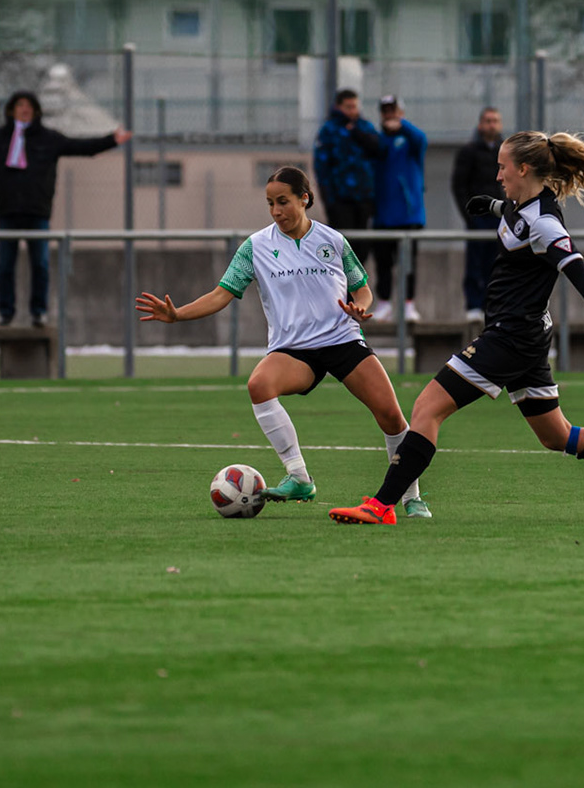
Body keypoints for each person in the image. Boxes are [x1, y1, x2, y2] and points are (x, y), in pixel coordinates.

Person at [329, 131, 584, 527]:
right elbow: (517, 219)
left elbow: (576, 270)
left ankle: (382, 504)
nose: (498, 175)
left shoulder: (545, 222)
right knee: (556, 434)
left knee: (427, 408)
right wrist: (495, 207)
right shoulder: (524, 205)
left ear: (524, 169)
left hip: (510, 337)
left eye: (502, 167)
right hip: (526, 337)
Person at [137, 167, 428, 515]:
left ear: (304, 198)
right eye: (270, 204)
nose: (276, 211)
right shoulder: (255, 247)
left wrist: (360, 308)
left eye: (283, 202)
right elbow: (221, 294)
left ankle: (412, 497)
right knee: (259, 384)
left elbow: (362, 288)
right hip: (294, 349)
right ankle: (299, 477)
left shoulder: (332, 241)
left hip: (342, 339)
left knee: (392, 417)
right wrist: (178, 314)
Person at [0, 91, 130, 328]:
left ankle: (39, 312)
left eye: (29, 106)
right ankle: (5, 312)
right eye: (20, 105)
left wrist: (111, 140)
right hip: (8, 212)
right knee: (5, 265)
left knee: (40, 264)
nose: (24, 110)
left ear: (36, 111)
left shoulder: (49, 139)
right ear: (11, 110)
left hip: (38, 212)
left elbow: (82, 147)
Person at [371, 93, 427, 323]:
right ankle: (384, 303)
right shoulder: (378, 140)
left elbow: (422, 140)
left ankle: (408, 305)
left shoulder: (410, 140)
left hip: (408, 214)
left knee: (408, 264)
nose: (389, 116)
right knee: (383, 263)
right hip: (383, 214)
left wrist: (401, 124)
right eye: (386, 111)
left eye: (393, 111)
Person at [311, 87, 382, 259]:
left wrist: (357, 133)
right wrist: (329, 200)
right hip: (340, 199)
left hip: (363, 197)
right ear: (339, 107)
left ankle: (357, 286)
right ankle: (341, 286)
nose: (352, 111)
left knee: (362, 248)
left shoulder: (364, 127)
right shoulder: (329, 130)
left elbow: (378, 150)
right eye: (348, 107)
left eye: (355, 106)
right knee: (342, 248)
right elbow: (322, 167)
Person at [451, 107, 505, 323]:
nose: (492, 125)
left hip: (500, 215)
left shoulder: (504, 151)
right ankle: (473, 305)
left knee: (496, 263)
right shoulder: (469, 152)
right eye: (488, 120)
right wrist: (469, 215)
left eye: (495, 121)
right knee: (475, 262)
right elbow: (458, 185)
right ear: (480, 124)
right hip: (478, 217)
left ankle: (491, 305)